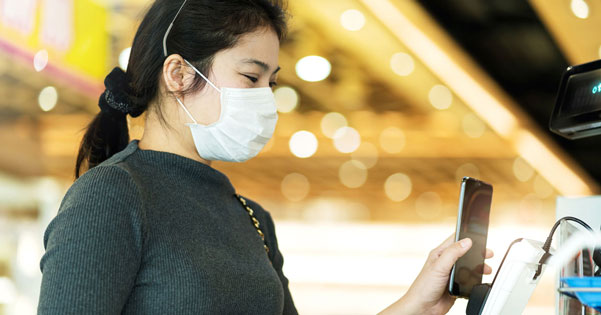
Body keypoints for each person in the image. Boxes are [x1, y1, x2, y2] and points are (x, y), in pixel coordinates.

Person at [37, 0, 493, 314]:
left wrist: (417, 303)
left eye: (270, 83)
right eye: (251, 77)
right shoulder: (111, 198)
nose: (265, 99)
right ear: (178, 73)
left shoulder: (251, 218)